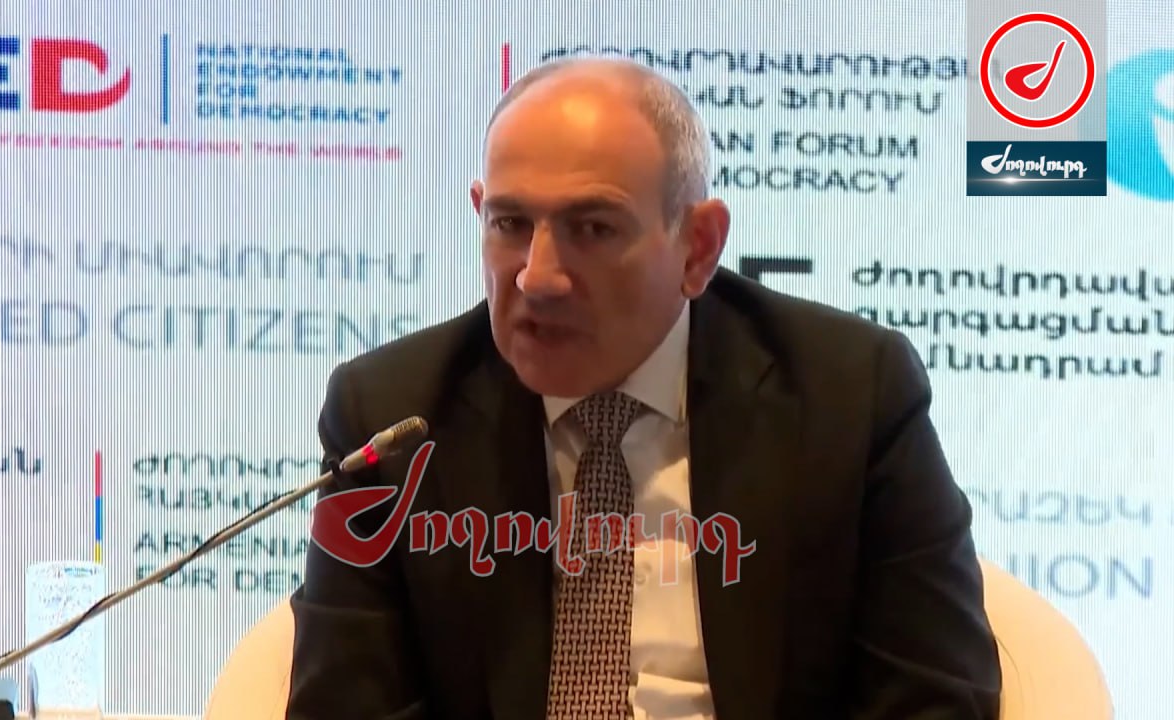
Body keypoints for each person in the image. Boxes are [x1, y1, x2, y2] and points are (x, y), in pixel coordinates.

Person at [286, 56, 1001, 719]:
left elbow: (934, 696)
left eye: (592, 228)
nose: (538, 276)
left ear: (698, 247)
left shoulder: (849, 395)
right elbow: (345, 707)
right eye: (510, 223)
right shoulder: (390, 417)